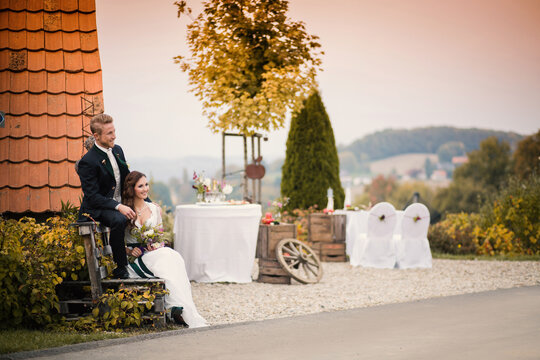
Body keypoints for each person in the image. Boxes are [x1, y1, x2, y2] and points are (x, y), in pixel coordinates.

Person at [122, 171, 208, 328]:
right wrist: (128, 251)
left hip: (153, 252)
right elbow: (115, 240)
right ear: (131, 188)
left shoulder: (154, 209)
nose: (145, 189)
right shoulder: (126, 211)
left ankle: (180, 309)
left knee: (173, 257)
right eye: (140, 186)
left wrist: (153, 244)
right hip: (136, 259)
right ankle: (175, 309)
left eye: (146, 184)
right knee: (166, 259)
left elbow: (159, 236)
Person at [77, 113, 135, 279]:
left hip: (118, 204)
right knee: (119, 219)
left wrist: (146, 202)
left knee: (146, 211)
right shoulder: (88, 161)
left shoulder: (117, 150)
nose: (114, 136)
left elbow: (127, 179)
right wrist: (119, 206)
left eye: (114, 131)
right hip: (97, 208)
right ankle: (121, 268)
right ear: (96, 136)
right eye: (109, 133)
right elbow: (92, 196)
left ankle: (142, 259)